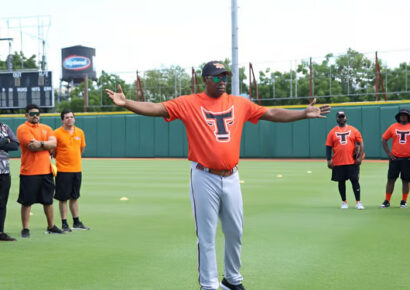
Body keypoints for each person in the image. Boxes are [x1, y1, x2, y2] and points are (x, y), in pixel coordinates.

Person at [106, 61, 331, 290]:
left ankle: (232, 279)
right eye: (216, 77)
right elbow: (156, 108)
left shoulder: (238, 103)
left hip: (232, 176)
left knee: (235, 231)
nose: (222, 81)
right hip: (204, 176)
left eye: (225, 76)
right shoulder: (189, 103)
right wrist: (127, 103)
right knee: (206, 235)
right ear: (205, 79)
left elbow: (270, 112)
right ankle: (209, 285)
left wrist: (302, 113)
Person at [16, 104, 64, 238]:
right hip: (29, 172)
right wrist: (46, 144)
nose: (35, 116)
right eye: (32, 114)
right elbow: (32, 146)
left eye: (37, 113)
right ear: (26, 115)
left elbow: (54, 144)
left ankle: (51, 226)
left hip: (46, 171)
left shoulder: (47, 128)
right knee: (26, 202)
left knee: (48, 201)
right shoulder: (22, 128)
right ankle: (25, 228)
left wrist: (41, 144)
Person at [52, 109, 89, 231]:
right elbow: (53, 152)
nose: (70, 119)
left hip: (77, 169)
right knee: (63, 198)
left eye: (71, 117)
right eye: (67, 117)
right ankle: (64, 223)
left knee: (74, 197)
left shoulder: (80, 132)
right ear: (62, 120)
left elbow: (81, 149)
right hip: (62, 170)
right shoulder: (56, 133)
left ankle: (76, 222)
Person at [325, 111, 365, 210]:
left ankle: (358, 202)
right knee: (341, 182)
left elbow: (361, 143)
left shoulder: (353, 130)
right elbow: (328, 147)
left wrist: (360, 157)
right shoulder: (332, 132)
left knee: (355, 181)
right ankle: (344, 202)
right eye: (340, 117)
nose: (341, 118)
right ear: (337, 119)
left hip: (351, 161)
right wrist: (329, 160)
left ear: (346, 118)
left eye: (343, 117)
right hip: (338, 161)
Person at [380, 108, 410, 209]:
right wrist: (388, 153)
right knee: (391, 179)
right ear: (398, 116)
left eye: (405, 115)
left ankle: (403, 201)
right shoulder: (393, 127)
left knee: (406, 180)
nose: (403, 116)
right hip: (395, 158)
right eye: (401, 115)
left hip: (408, 159)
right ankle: (387, 201)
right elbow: (384, 139)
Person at [0, 120, 19, 241]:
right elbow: (9, 143)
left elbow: (15, 145)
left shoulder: (5, 127)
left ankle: (0, 232)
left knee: (2, 203)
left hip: (4, 172)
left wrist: (5, 142)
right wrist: (4, 141)